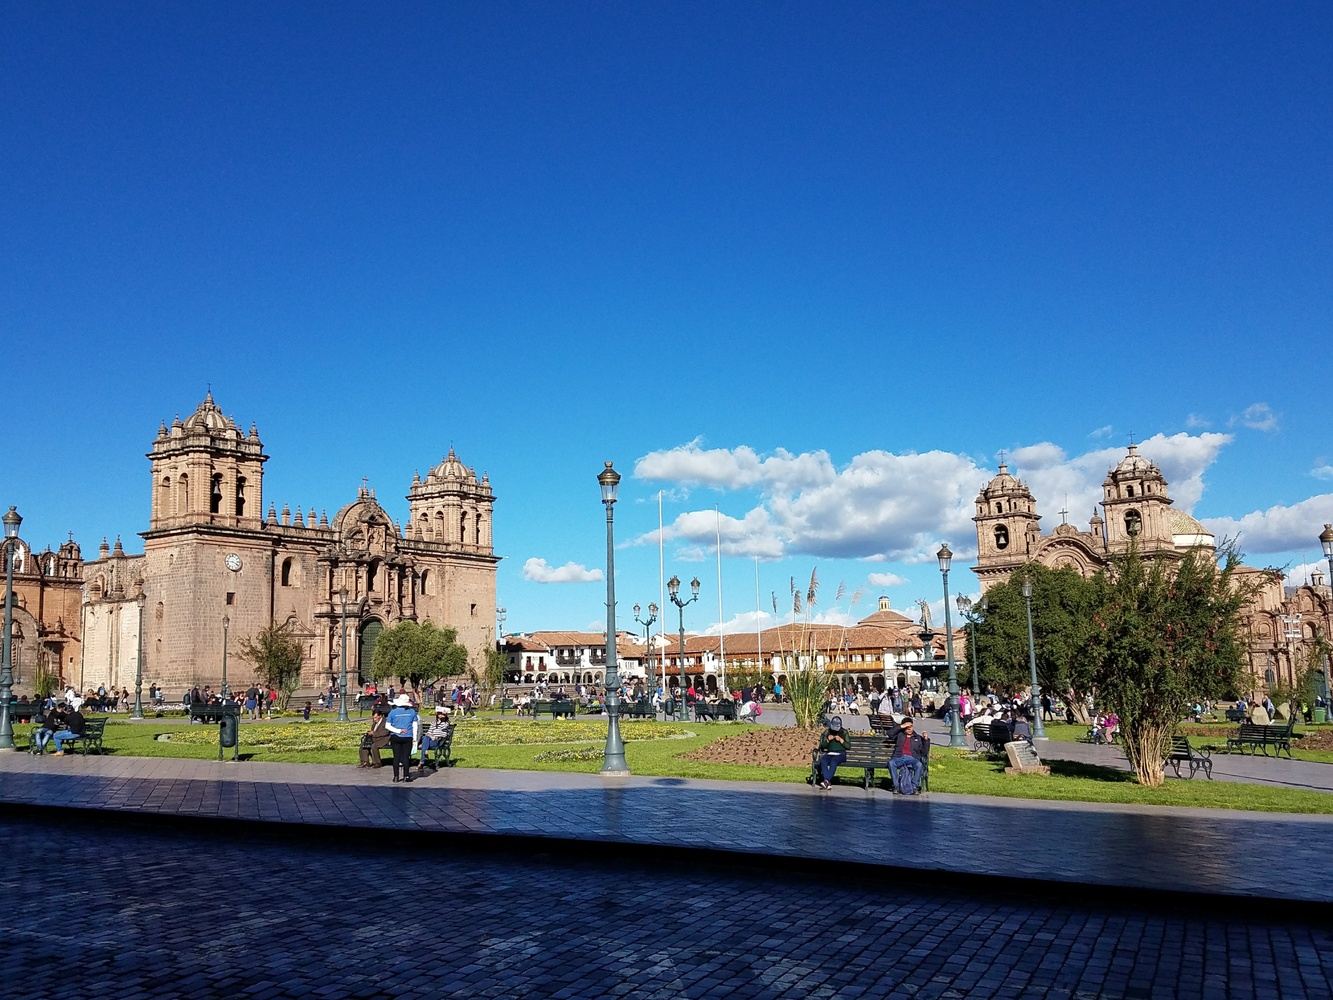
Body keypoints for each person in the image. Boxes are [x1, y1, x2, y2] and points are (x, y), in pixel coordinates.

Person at [385, 694, 419, 783]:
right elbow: (415, 726)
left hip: (395, 736)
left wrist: (398, 731)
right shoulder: (412, 712)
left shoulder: (393, 712)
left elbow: (387, 726)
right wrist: (415, 738)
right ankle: (406, 776)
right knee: (406, 757)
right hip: (408, 736)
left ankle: (396, 776)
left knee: (396, 757)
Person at [889, 716, 928, 794]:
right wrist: (901, 726)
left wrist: (926, 740)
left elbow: (924, 752)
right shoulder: (899, 735)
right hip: (900, 757)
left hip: (912, 758)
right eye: (907, 727)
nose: (910, 729)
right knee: (891, 763)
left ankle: (914, 787)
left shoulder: (917, 737)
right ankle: (896, 786)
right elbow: (889, 733)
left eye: (911, 726)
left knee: (919, 765)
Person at [814, 717, 850, 790]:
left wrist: (841, 740)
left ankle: (826, 780)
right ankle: (827, 782)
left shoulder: (844, 732)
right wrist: (827, 740)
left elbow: (848, 746)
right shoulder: (827, 732)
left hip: (840, 754)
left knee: (834, 761)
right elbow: (823, 746)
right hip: (830, 753)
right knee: (823, 760)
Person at [419, 706, 453, 773]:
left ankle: (422, 759)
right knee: (425, 737)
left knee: (425, 743)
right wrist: (431, 736)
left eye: (441, 714)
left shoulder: (446, 723)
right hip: (431, 739)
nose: (440, 715)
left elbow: (443, 733)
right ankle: (424, 756)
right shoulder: (434, 723)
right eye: (439, 713)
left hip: (438, 741)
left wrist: (435, 737)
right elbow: (429, 732)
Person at [358, 703, 391, 767]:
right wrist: (370, 733)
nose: (374, 719)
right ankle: (365, 762)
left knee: (374, 746)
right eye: (374, 718)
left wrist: (374, 733)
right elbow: (373, 730)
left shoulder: (385, 722)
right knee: (363, 745)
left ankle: (377, 763)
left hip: (384, 739)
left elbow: (386, 732)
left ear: (380, 716)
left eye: (376, 717)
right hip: (375, 738)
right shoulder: (375, 723)